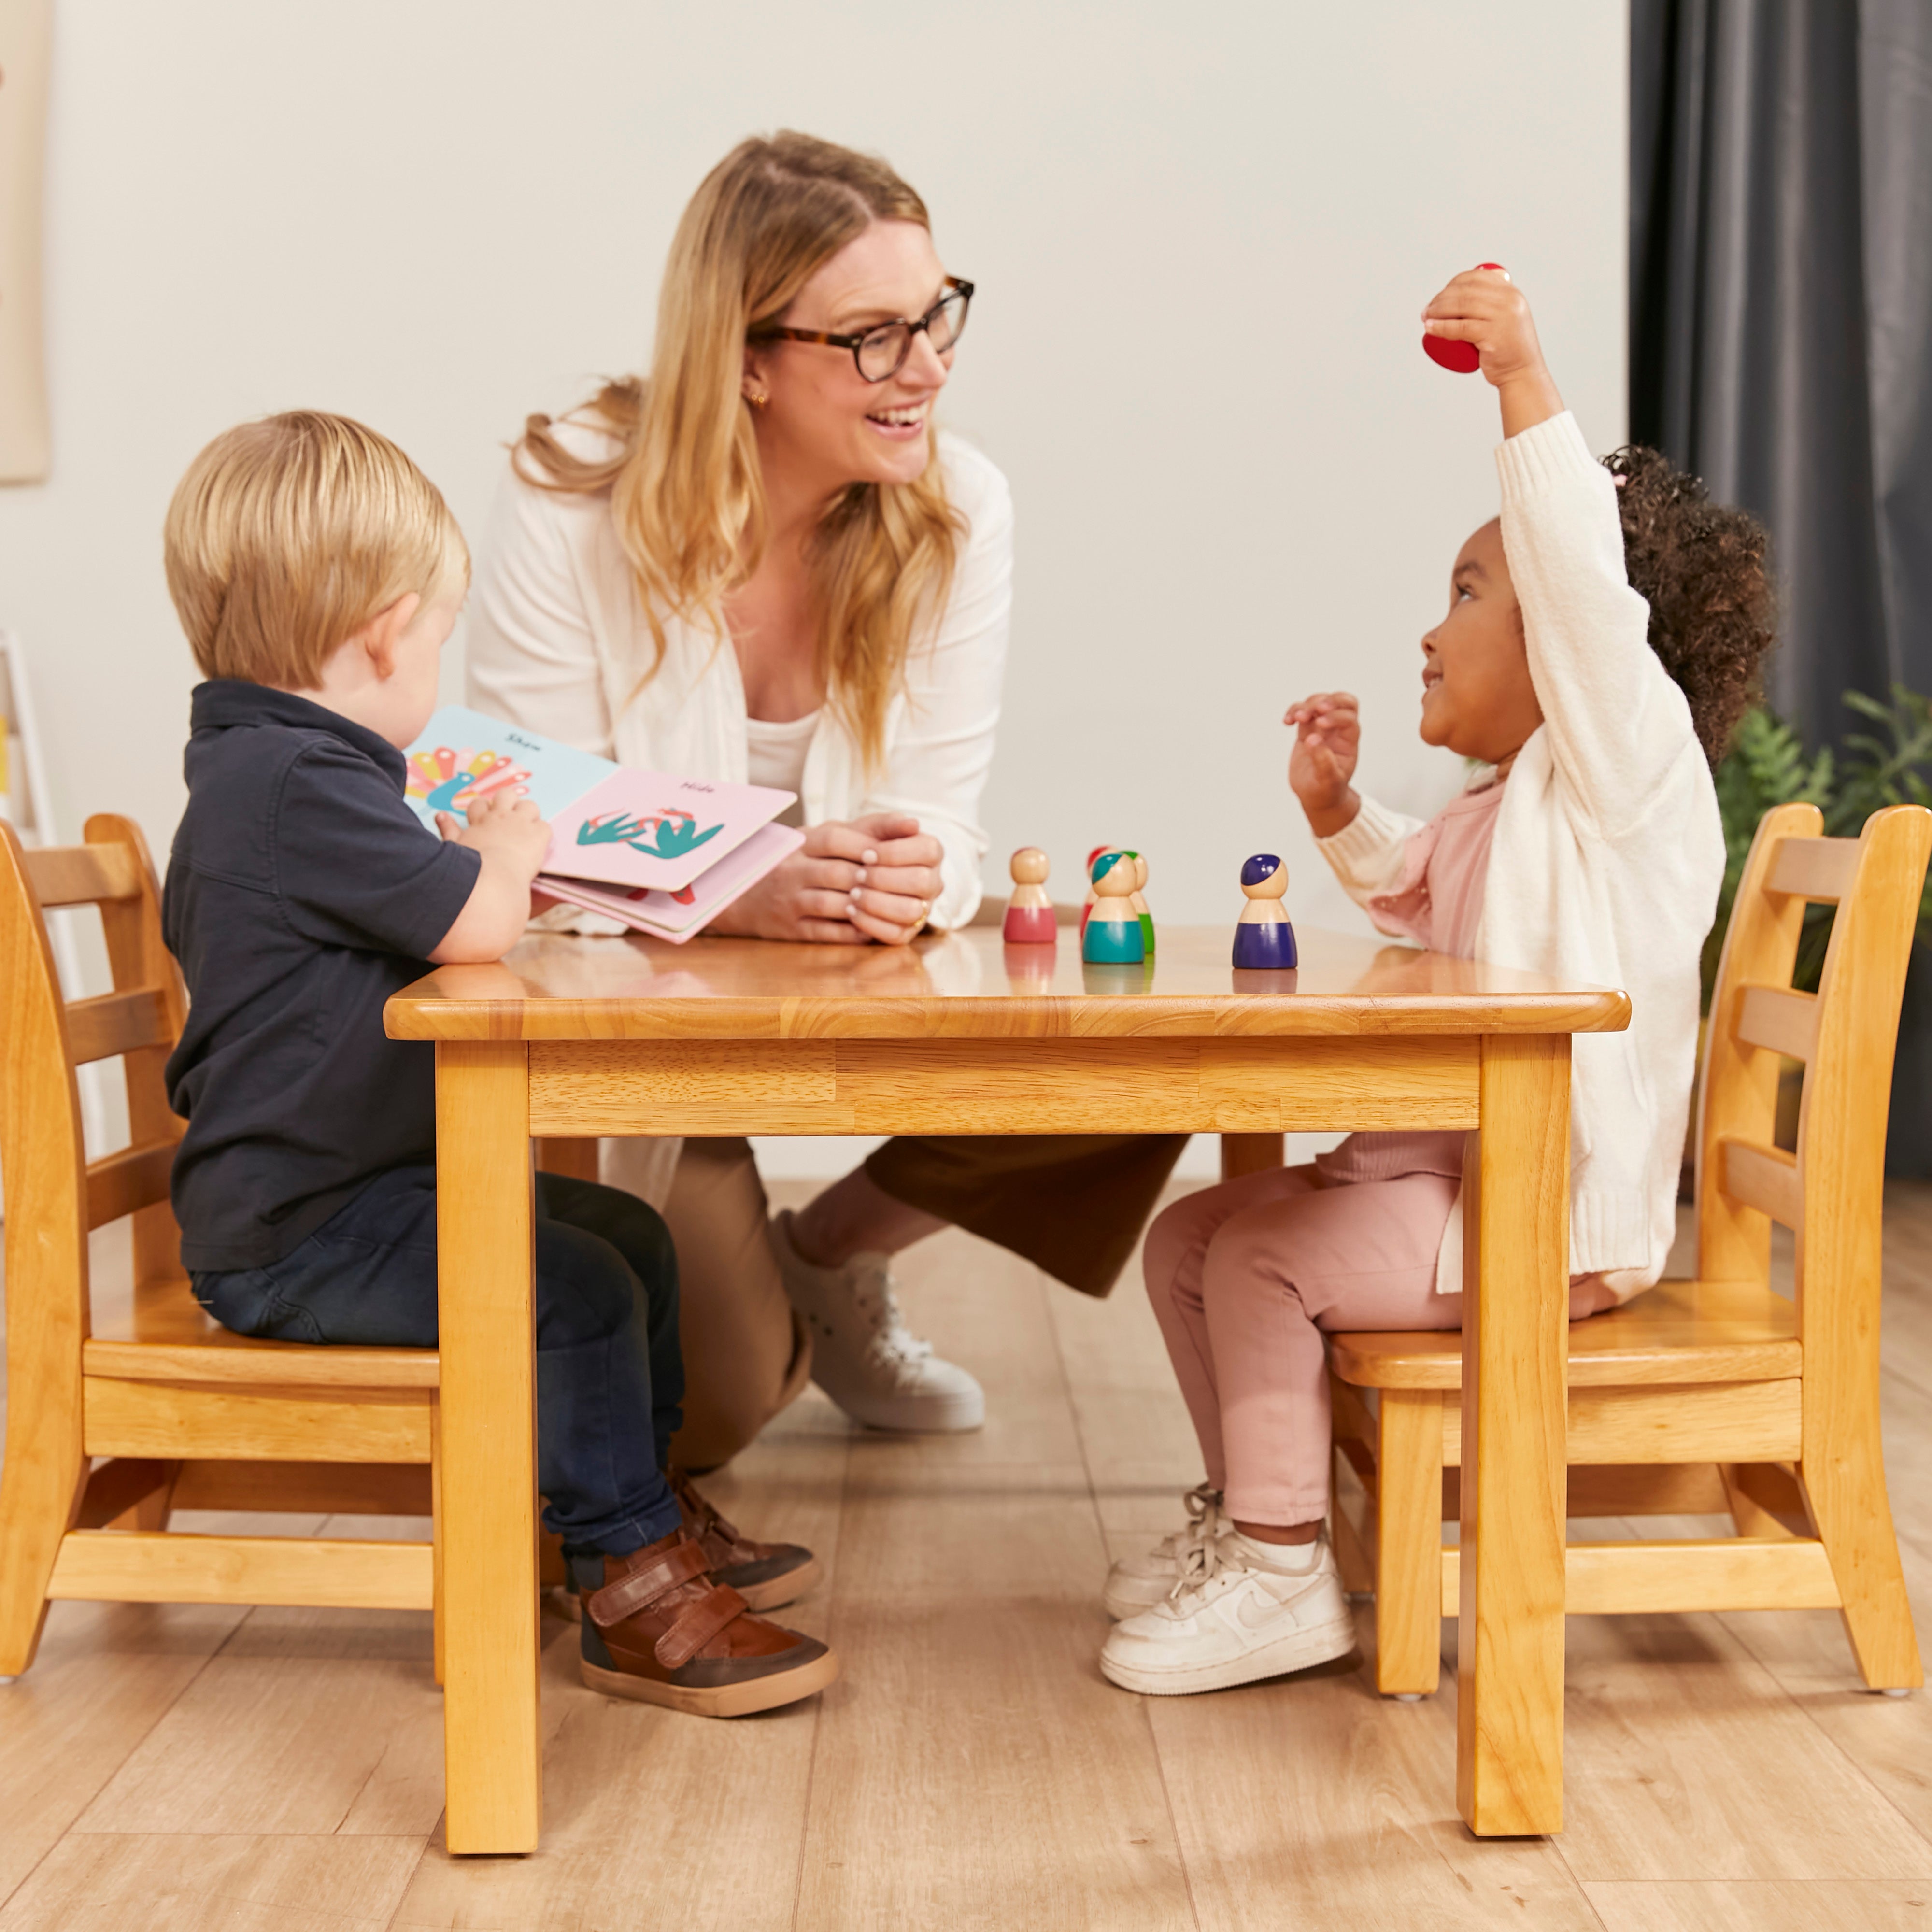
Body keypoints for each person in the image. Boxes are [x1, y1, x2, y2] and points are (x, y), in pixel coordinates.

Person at [1099, 269, 1774, 1698]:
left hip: (1541, 1218)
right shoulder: (1513, 801)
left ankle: (1286, 1575)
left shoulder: (1622, 766)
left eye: (1469, 592)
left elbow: (1584, 585)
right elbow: (1415, 886)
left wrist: (1522, 378)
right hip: (1444, 1183)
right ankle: (1258, 1531)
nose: (1431, 628)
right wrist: (1339, 807)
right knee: (1185, 1244)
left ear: (1579, 649)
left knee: (1263, 1260)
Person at [467, 131, 1185, 1468]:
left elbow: (947, 815)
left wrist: (921, 871)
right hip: (627, 1031)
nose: (928, 370)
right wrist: (733, 883)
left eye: (936, 317)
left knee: (1153, 1029)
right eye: (872, 337)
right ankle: (745, 1300)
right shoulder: (571, 491)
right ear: (745, 357)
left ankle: (834, 1257)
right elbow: (516, 813)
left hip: (839, 978)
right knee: (709, 1414)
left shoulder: (959, 507)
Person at [159, 410, 835, 1716]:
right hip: (302, 1235)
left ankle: (633, 1509)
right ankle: (627, 1577)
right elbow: (476, 921)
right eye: (435, 643)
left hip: (343, 1199)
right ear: (382, 633)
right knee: (569, 1287)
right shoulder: (297, 782)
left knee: (626, 1241)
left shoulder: (278, 773)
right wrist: (511, 846)